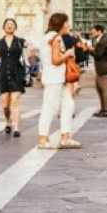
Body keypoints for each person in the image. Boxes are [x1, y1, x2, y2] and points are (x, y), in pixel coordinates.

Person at [38, 12, 82, 149]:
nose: (69, 25)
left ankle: (65, 137)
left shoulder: (47, 37)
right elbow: (56, 60)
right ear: (61, 24)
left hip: (58, 77)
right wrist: (68, 54)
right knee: (49, 108)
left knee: (68, 105)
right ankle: (43, 139)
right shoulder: (56, 38)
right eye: (67, 22)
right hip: (54, 78)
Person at [0, 18, 27, 137]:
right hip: (3, 74)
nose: (9, 26)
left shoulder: (19, 41)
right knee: (5, 105)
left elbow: (28, 44)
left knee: (15, 102)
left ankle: (16, 128)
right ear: (3, 27)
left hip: (17, 73)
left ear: (15, 27)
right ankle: (8, 121)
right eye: (7, 24)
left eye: (12, 24)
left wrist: (30, 45)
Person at [90, 24, 107, 117]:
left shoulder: (103, 41)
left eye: (94, 32)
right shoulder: (101, 40)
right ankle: (103, 109)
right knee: (99, 89)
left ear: (99, 31)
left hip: (103, 68)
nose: (92, 34)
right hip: (101, 68)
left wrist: (89, 50)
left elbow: (99, 55)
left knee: (104, 90)